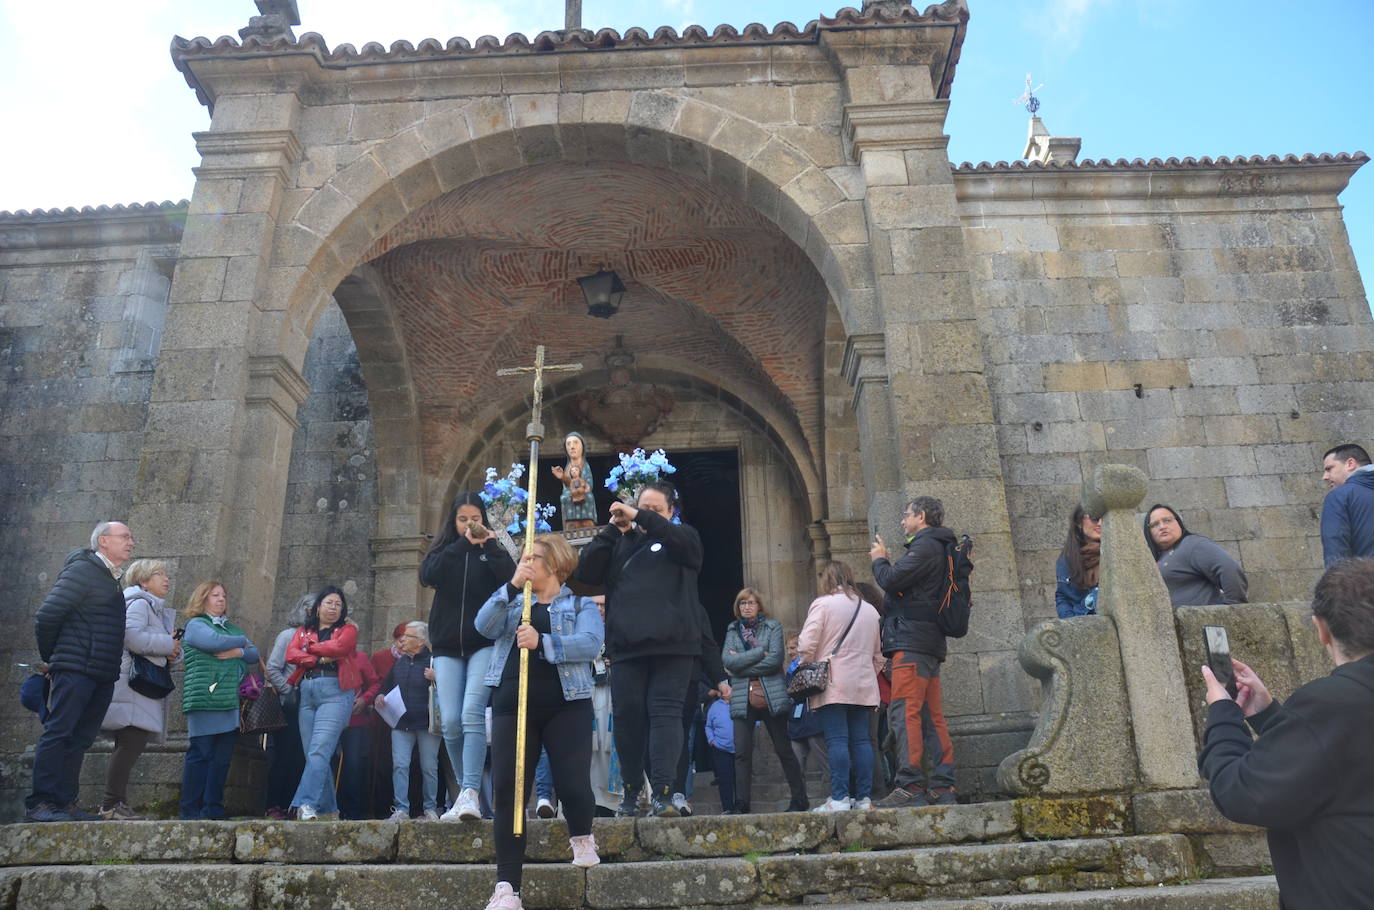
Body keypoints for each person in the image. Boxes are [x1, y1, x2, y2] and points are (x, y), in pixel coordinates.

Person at [1198, 557, 1374, 909]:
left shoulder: (1331, 703)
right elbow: (1345, 761)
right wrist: (1270, 717)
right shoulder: (1339, 707)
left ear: (1321, 628)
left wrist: (1223, 714)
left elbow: (1243, 792)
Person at [476, 534, 605, 910]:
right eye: (524, 557)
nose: (525, 562)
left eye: (532, 557)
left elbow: (591, 644)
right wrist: (510, 586)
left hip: (567, 704)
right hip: (512, 705)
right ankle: (507, 888)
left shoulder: (579, 604)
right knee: (508, 793)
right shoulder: (515, 603)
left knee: (572, 784)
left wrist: (543, 642)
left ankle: (582, 834)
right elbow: (483, 625)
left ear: (555, 564)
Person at [574, 481, 705, 818]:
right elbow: (586, 571)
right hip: (627, 648)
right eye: (642, 508)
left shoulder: (684, 537)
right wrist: (610, 530)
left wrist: (642, 516)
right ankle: (631, 791)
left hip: (673, 646)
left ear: (671, 512)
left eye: (655, 510)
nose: (646, 515)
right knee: (628, 719)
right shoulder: (620, 542)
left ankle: (664, 792)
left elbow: (684, 546)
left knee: (665, 715)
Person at [27, 521, 136, 822]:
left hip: (101, 673)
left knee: (80, 738)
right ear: (103, 541)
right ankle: (40, 803)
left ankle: (64, 803)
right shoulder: (83, 570)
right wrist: (54, 658)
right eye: (125, 537)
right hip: (76, 669)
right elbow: (47, 615)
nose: (131, 542)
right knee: (59, 732)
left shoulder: (110, 578)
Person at [420, 491, 516, 821]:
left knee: (471, 713)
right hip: (447, 646)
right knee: (449, 721)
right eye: (463, 519)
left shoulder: (492, 550)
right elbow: (428, 575)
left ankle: (471, 791)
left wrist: (489, 545)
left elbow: (511, 579)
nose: (470, 524)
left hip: (484, 643)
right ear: (454, 521)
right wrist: (462, 544)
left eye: (475, 518)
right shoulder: (446, 549)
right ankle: (465, 792)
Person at [870, 497, 959, 808]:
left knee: (904, 711)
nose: (902, 521)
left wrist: (880, 560)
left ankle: (910, 785)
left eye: (906, 515)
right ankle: (942, 787)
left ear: (921, 517)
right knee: (931, 716)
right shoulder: (941, 546)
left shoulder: (925, 546)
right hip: (929, 643)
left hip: (912, 645)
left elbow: (890, 579)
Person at [798, 561, 884, 812]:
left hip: (834, 682)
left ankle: (840, 798)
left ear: (827, 579)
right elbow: (879, 655)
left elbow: (806, 645)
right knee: (862, 741)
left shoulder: (823, 604)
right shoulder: (870, 610)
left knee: (836, 740)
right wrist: (866, 673)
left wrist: (808, 664)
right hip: (864, 683)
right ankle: (864, 798)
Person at [99, 559, 181, 820]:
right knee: (130, 743)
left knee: (129, 743)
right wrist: (167, 645)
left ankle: (117, 803)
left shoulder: (152, 607)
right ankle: (111, 804)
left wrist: (172, 650)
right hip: (131, 687)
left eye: (166, 574)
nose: (166, 579)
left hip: (138, 688)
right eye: (159, 574)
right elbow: (131, 637)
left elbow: (160, 646)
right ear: (143, 581)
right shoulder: (139, 603)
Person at [721, 587, 808, 813]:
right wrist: (760, 653)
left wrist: (741, 663)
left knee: (783, 748)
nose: (747, 607)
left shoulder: (773, 626)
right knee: (742, 752)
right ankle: (742, 803)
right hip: (742, 695)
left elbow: (775, 660)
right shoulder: (732, 630)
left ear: (759, 605)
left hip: (771, 693)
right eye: (742, 603)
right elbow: (727, 662)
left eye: (751, 602)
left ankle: (799, 799)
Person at [179, 580, 259, 819]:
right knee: (200, 754)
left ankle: (212, 809)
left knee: (222, 759)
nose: (221, 599)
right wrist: (243, 642)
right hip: (204, 698)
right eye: (215, 595)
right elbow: (213, 642)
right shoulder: (196, 625)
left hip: (229, 701)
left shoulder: (231, 628)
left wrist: (238, 652)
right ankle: (190, 810)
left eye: (223, 595)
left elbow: (254, 654)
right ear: (202, 599)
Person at [285, 586, 359, 820]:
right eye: (329, 603)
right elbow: (290, 654)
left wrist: (308, 648)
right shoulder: (303, 630)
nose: (333, 608)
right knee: (313, 753)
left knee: (319, 750)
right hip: (307, 690)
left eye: (338, 604)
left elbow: (340, 648)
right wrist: (317, 658)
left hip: (335, 690)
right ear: (318, 607)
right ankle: (328, 810)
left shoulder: (347, 629)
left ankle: (305, 804)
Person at [377, 621, 440, 820]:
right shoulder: (400, 662)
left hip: (427, 724)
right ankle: (401, 809)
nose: (402, 640)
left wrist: (437, 677)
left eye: (407, 636)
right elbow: (385, 688)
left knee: (429, 767)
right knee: (400, 765)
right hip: (401, 724)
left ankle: (430, 808)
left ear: (420, 641)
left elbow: (452, 688)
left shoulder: (434, 661)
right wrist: (380, 696)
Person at [263, 595, 313, 819]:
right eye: (310, 608)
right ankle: (275, 804)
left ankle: (294, 804)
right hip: (289, 705)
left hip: (311, 704)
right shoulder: (287, 636)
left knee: (302, 757)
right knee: (284, 755)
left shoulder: (321, 639)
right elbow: (272, 669)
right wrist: (288, 690)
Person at [1144, 504, 1248, 607]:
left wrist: (1234, 607)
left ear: (1178, 522)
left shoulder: (1192, 544)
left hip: (1200, 617)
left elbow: (1229, 568)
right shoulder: (1156, 558)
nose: (1162, 527)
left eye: (1167, 520)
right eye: (1155, 524)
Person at [338, 645, 382, 818]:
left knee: (354, 765)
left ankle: (353, 811)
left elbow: (375, 683)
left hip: (355, 720)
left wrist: (364, 699)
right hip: (328, 719)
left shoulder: (361, 657)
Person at [1319, 443, 1374, 567]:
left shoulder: (1340, 496)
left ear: (1350, 464)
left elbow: (1336, 554)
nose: (1325, 477)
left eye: (1329, 469)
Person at [1056, 506, 1102, 618]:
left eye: (1105, 518)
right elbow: (1063, 596)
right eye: (1095, 518)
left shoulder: (1116, 553)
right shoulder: (1066, 559)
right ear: (1079, 522)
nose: (1100, 523)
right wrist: (1071, 623)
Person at [551, 431, 598, 530]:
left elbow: (589, 484)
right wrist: (562, 476)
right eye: (568, 444)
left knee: (588, 497)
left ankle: (587, 523)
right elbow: (568, 485)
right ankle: (570, 524)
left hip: (583, 491)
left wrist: (582, 487)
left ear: (582, 447)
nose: (572, 447)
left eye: (575, 443)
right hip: (571, 493)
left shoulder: (585, 466)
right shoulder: (568, 467)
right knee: (565, 497)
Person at [703, 688, 735, 813]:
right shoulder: (714, 707)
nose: (726, 692)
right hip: (720, 748)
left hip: (740, 748)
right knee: (725, 779)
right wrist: (711, 740)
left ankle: (740, 806)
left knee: (739, 780)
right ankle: (727, 808)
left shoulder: (739, 703)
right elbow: (708, 726)